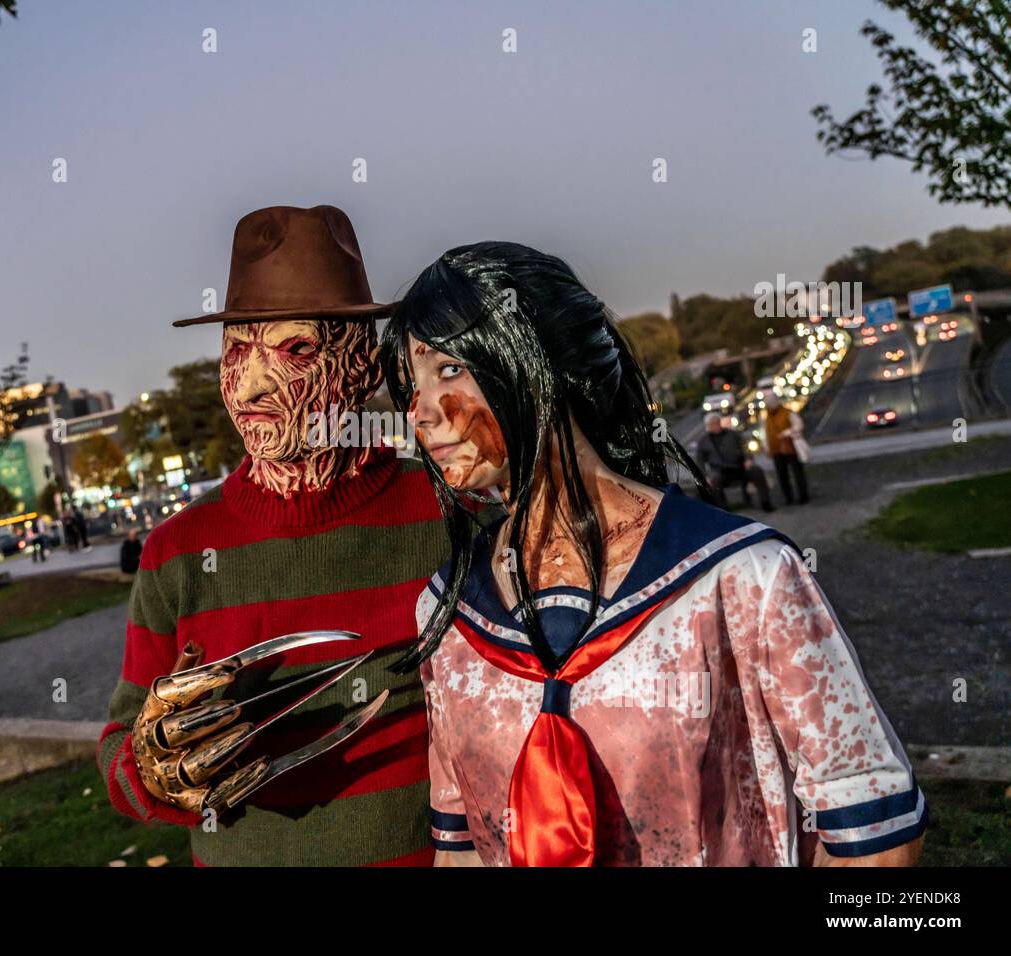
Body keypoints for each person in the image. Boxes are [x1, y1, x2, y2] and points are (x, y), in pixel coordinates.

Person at [380, 241, 925, 867]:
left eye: (449, 369)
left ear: (541, 363)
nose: (419, 413)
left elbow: (874, 835)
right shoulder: (448, 615)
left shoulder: (740, 578)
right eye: (410, 385)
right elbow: (462, 850)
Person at [98, 205, 451, 866]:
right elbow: (120, 746)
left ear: (363, 366)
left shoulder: (445, 512)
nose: (252, 383)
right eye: (237, 349)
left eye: (296, 350)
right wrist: (148, 767)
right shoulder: (176, 552)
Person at [694, 412, 775, 511]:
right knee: (714, 481)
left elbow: (745, 447)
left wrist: (748, 459)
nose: (714, 425)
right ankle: (723, 509)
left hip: (739, 466)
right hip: (720, 471)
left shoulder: (732, 434)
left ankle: (765, 502)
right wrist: (705, 476)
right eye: (711, 424)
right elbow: (700, 461)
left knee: (757, 471)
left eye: (716, 423)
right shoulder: (703, 441)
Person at [765, 398, 810, 505]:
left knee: (797, 472)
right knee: (782, 475)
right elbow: (766, 433)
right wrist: (767, 448)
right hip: (776, 449)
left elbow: (798, 425)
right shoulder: (767, 417)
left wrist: (786, 433)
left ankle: (803, 495)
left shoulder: (787, 413)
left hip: (790, 447)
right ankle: (788, 497)